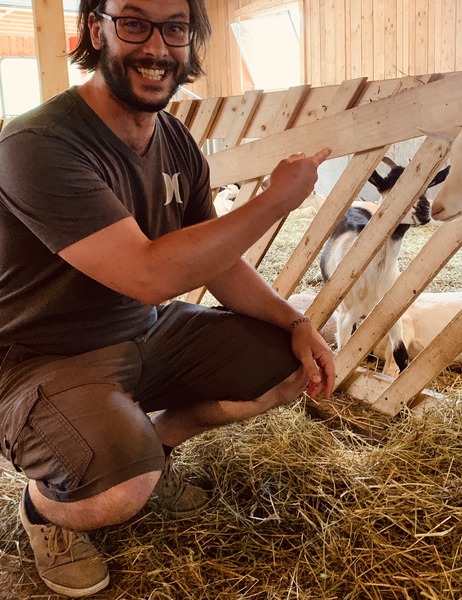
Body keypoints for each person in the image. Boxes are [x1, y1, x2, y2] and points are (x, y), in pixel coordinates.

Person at [0, 0, 335, 596]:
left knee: (288, 363)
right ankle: (46, 509)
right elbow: (147, 275)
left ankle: (151, 449)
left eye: (175, 28)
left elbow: (217, 261)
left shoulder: (174, 139)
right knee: (119, 492)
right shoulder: (35, 142)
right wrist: (275, 201)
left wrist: (296, 319)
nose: (156, 48)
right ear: (94, 29)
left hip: (145, 331)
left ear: (190, 40)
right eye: (134, 22)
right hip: (42, 357)